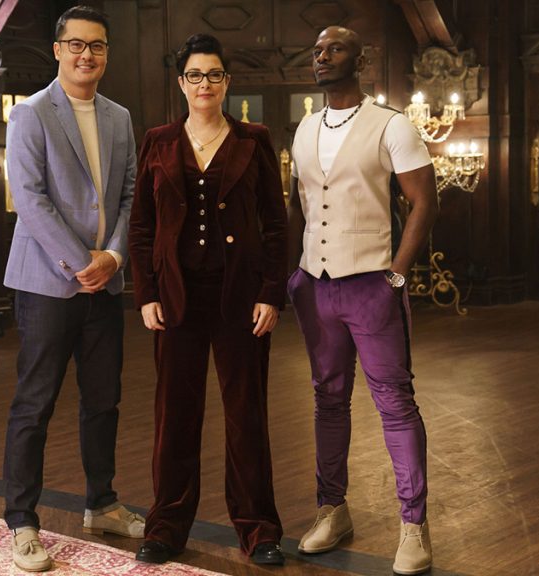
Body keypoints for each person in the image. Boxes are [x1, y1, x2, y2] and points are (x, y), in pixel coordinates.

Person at [128, 33, 287, 567]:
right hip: (176, 298)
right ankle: (166, 527)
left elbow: (275, 223)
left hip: (240, 298)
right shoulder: (157, 140)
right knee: (175, 415)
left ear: (226, 82)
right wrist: (145, 293)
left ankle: (259, 529)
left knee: (246, 416)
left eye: (214, 75)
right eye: (195, 75)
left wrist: (271, 292)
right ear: (181, 83)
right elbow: (142, 226)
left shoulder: (253, 139)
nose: (205, 84)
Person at [286, 25, 439, 576]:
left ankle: (414, 525)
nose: (322, 57)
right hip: (315, 285)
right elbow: (298, 205)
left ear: (361, 60)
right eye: (317, 50)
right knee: (328, 400)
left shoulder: (392, 125)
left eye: (334, 49)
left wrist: (395, 275)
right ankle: (332, 510)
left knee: (394, 402)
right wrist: (293, 275)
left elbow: (424, 202)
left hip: (372, 283)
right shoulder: (305, 128)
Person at [2, 5, 143, 573]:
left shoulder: (119, 117)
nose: (88, 54)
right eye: (78, 44)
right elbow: (29, 198)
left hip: (105, 283)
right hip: (47, 283)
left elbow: (131, 195)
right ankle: (22, 521)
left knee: (104, 400)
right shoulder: (31, 113)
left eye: (98, 45)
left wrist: (113, 257)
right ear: (58, 49)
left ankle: (101, 504)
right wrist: (82, 262)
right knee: (35, 403)